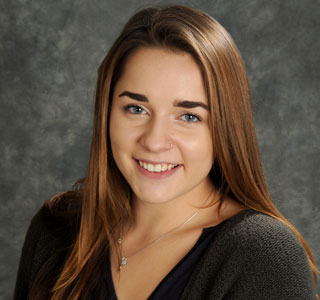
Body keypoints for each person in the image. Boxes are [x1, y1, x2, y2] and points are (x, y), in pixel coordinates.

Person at [14, 4, 319, 300]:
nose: (155, 141)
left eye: (189, 116)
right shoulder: (55, 230)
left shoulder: (263, 256)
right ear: (106, 112)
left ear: (225, 129)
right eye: (136, 109)